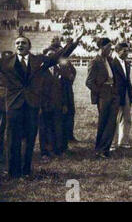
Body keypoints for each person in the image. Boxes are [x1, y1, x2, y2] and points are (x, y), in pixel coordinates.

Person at [0, 30, 83, 178]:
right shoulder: (5, 62)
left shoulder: (38, 60)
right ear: (14, 46)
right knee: (13, 138)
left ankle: (26, 170)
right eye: (17, 43)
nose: (20, 45)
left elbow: (59, 56)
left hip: (32, 104)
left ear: (29, 46)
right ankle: (13, 172)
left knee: (30, 138)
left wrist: (74, 41)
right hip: (13, 105)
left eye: (23, 43)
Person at [86, 38, 119, 159]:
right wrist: (101, 93)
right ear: (102, 47)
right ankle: (99, 149)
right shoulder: (95, 61)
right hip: (103, 95)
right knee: (103, 122)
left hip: (113, 93)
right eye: (109, 47)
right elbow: (89, 82)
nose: (111, 49)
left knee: (111, 123)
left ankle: (105, 150)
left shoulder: (109, 60)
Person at [111, 43, 132, 149]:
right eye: (124, 51)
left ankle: (124, 141)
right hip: (115, 94)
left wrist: (130, 95)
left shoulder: (126, 63)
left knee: (126, 118)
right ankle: (113, 142)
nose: (127, 53)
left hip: (125, 93)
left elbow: (127, 80)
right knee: (114, 119)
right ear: (117, 50)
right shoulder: (112, 63)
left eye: (127, 51)